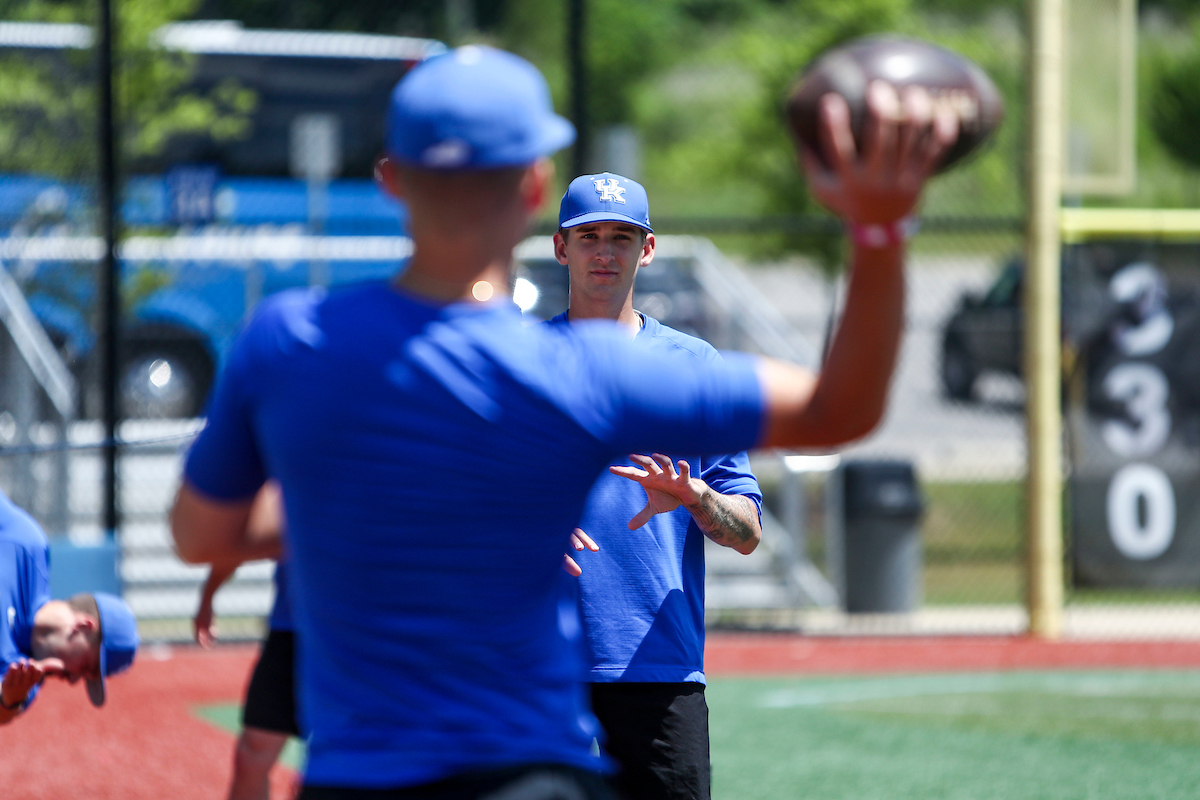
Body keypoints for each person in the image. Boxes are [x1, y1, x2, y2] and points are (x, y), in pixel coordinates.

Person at [170, 45, 957, 799]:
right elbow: (840, 409)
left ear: (390, 180)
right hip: (519, 770)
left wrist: (401, 507)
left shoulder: (286, 342)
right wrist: (878, 231)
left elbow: (201, 534)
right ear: (535, 189)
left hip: (357, 773)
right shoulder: (575, 373)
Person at [550, 172, 762, 800]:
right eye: (589, 236)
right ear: (562, 248)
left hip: (657, 664)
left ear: (647, 248)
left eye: (622, 236)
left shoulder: (695, 368)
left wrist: (697, 498)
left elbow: (748, 533)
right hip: (536, 662)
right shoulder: (520, 362)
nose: (605, 252)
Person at [192, 482, 295, 800]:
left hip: (358, 636)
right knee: (252, 756)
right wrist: (208, 597)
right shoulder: (293, 470)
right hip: (292, 631)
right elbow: (246, 536)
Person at [1, 488, 138, 724]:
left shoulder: (24, 678)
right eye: (86, 666)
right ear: (84, 626)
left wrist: (8, 699)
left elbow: (4, 715)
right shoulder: (29, 547)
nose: (73, 680)